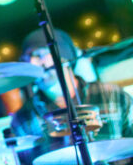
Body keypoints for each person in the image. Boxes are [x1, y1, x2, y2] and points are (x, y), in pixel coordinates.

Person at [10, 28, 133, 164]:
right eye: (27, 59)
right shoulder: (22, 119)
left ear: (64, 56)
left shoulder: (114, 96)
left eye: (39, 55)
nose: (32, 64)